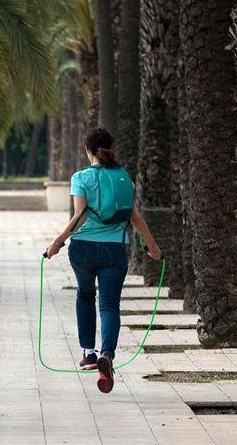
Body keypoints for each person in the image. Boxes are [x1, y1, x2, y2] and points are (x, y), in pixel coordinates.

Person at [44, 127, 161, 394]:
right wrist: (152, 247)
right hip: (115, 249)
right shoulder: (124, 178)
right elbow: (135, 218)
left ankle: (89, 354)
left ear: (88, 150)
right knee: (109, 305)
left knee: (85, 295)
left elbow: (79, 217)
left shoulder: (80, 178)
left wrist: (57, 242)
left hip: (83, 249)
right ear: (111, 147)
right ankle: (107, 354)